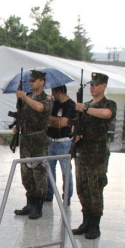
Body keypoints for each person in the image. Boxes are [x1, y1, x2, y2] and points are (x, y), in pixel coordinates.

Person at [72, 72, 117, 240]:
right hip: (82, 152)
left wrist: (84, 108)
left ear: (104, 85)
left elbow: (107, 114)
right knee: (82, 187)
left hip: (97, 155)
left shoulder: (108, 104)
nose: (92, 87)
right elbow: (78, 125)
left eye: (96, 84)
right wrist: (76, 132)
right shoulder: (87, 104)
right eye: (91, 84)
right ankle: (86, 221)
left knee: (95, 188)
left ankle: (95, 225)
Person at [13, 70, 53, 219]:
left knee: (39, 174)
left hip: (39, 141)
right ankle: (29, 204)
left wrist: (24, 97)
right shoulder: (27, 98)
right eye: (30, 81)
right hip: (26, 141)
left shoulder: (47, 98)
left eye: (34, 80)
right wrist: (19, 126)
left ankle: (38, 206)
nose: (31, 83)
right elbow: (23, 116)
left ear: (42, 82)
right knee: (26, 174)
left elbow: (40, 108)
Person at [46, 85, 76, 204]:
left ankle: (67, 195)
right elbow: (47, 119)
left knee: (66, 170)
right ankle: (49, 193)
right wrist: (55, 121)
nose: (52, 94)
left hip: (64, 142)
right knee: (49, 170)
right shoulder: (54, 104)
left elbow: (63, 123)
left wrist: (53, 121)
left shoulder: (71, 105)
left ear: (59, 92)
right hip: (51, 140)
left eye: (53, 92)